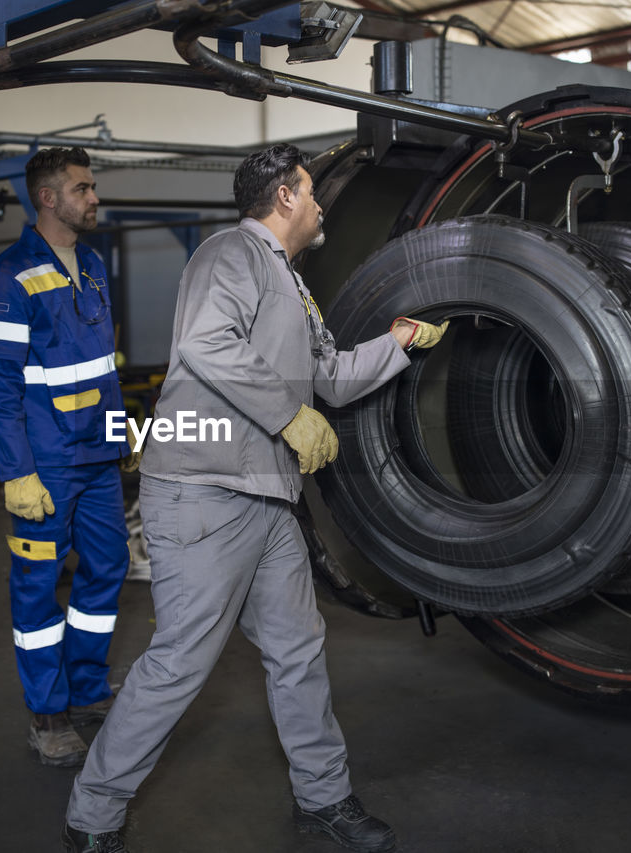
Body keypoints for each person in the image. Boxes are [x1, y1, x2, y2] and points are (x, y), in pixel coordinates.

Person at [62, 143, 447, 853]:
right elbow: (209, 343)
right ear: (284, 198)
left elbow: (328, 374)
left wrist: (398, 343)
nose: (323, 203)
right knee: (181, 660)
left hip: (266, 495)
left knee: (298, 648)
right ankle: (92, 815)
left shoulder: (289, 281)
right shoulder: (229, 253)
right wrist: (286, 413)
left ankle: (323, 796)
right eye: (313, 191)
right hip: (205, 492)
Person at [0, 146, 140, 769]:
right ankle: (47, 711)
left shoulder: (93, 265)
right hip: (43, 466)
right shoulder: (11, 277)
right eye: (83, 188)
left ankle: (89, 689)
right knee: (39, 588)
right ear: (48, 198)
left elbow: (105, 370)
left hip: (96, 458)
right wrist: (16, 473)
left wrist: (121, 433)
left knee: (107, 566)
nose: (94, 197)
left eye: (92, 187)